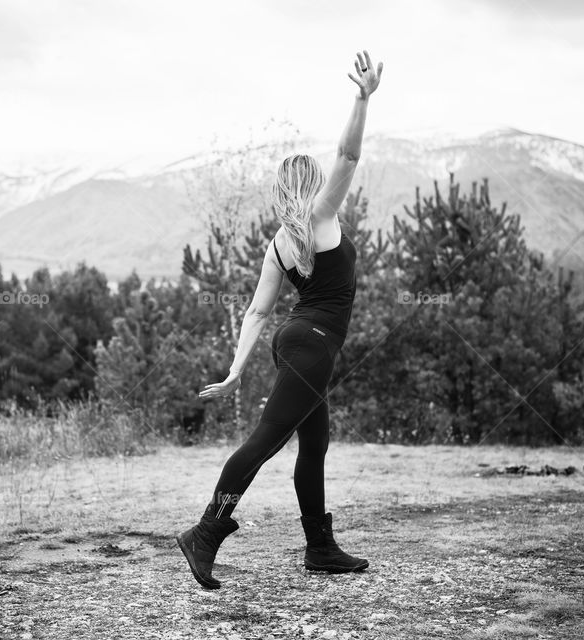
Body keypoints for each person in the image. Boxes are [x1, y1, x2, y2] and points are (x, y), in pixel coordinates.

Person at [176, 49, 384, 590]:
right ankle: (206, 530)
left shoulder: (279, 243)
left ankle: (319, 548)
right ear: (311, 184)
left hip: (296, 341)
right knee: (267, 439)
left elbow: (257, 312)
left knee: (313, 447)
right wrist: (361, 100)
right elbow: (349, 153)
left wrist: (237, 370)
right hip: (312, 344)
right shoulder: (321, 216)